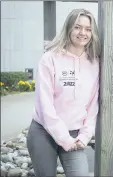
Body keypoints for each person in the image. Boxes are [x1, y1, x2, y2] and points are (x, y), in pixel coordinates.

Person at [26, 9, 100, 177]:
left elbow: (93, 104)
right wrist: (64, 139)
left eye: (88, 29)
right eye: (77, 27)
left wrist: (84, 136)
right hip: (43, 131)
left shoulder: (94, 62)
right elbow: (45, 105)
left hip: (75, 134)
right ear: (68, 28)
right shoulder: (50, 58)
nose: (83, 33)